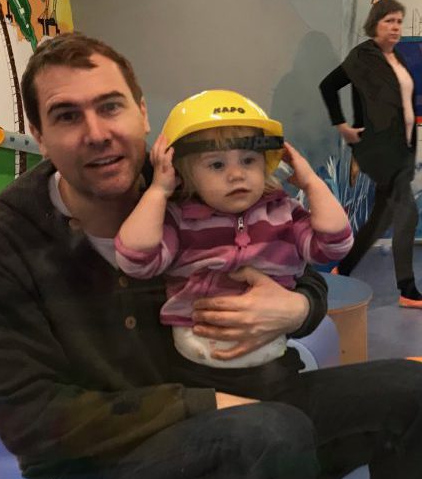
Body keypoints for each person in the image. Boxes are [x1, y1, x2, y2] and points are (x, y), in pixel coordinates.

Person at [0, 32, 422, 479]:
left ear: (144, 112)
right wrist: (203, 407)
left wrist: (298, 307)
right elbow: (30, 418)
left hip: (247, 419)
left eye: (110, 106)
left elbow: (295, 253)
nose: (96, 132)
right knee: (266, 434)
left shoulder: (201, 171)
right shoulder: (1, 246)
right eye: (67, 116)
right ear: (38, 135)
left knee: (413, 390)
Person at [115, 90, 353, 369]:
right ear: (183, 174)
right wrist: (158, 190)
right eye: (216, 164)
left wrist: (312, 183)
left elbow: (334, 245)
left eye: (248, 160)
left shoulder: (283, 213)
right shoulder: (179, 220)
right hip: (198, 362)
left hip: (272, 359)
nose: (236, 174)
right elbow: (136, 260)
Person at [319, 0, 422, 310]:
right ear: (375, 23)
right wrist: (342, 125)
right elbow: (329, 85)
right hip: (378, 147)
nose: (395, 27)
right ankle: (408, 290)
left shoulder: (396, 58)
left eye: (399, 21)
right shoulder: (364, 56)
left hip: (401, 148)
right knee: (407, 213)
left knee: (380, 217)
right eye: (389, 21)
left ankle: (342, 269)